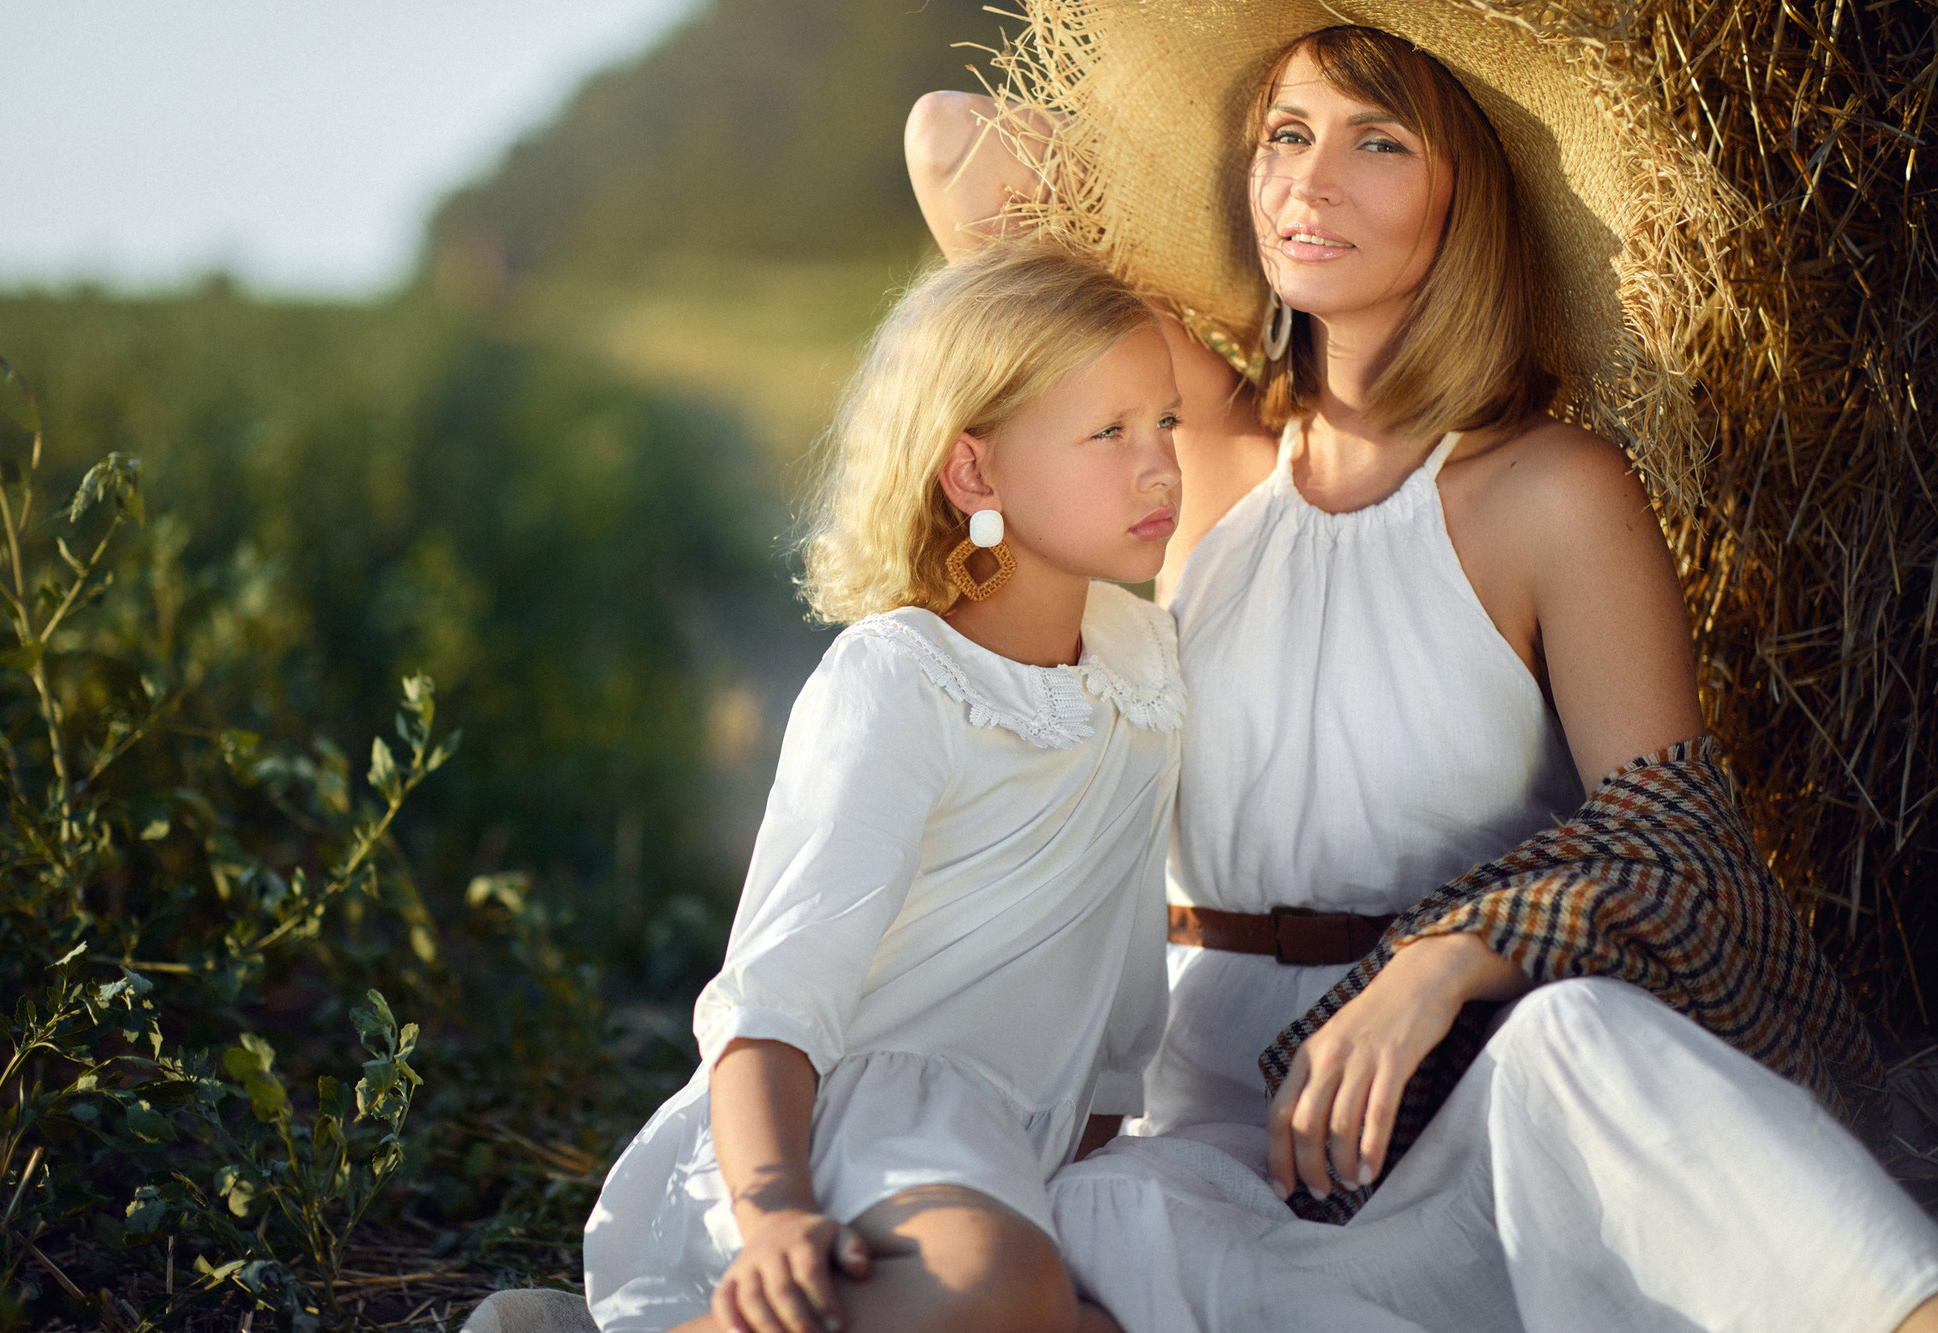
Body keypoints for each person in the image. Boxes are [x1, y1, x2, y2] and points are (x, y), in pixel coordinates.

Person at [907, 13, 1938, 1333]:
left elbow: (1682, 848)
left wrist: (1447, 957)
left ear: (1468, 198)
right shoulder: (1203, 453)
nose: (1309, 181)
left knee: (1584, 1047)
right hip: (1221, 1123)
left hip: (1460, 1101)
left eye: (1377, 142)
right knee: (1097, 1213)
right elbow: (954, 146)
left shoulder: (1550, 491)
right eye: (1285, 136)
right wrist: (1190, 213)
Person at [579, 242, 1185, 1333]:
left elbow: (1113, 977)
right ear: (974, 475)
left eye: (1165, 425)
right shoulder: (901, 676)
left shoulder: (1144, 663)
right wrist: (774, 1219)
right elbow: (772, 1003)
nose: (1157, 469)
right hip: (853, 1130)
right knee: (994, 1283)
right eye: (1108, 432)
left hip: (1026, 1139)